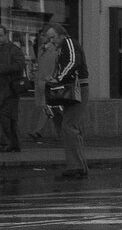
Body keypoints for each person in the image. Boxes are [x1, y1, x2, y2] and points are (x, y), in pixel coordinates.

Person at [44, 23, 89, 178]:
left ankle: (76, 166)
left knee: (68, 125)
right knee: (70, 126)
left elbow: (72, 63)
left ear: (62, 34)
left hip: (77, 88)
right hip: (75, 88)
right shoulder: (64, 46)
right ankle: (79, 166)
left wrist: (58, 78)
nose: (52, 41)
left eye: (53, 37)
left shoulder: (69, 43)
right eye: (49, 38)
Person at [27, 27, 60, 144]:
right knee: (51, 109)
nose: (41, 37)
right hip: (41, 82)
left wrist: (54, 79)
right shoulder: (41, 49)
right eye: (40, 35)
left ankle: (38, 131)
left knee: (47, 107)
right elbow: (38, 64)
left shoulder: (55, 50)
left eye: (43, 35)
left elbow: (57, 67)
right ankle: (60, 133)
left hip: (49, 83)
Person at [0, 24, 26, 152]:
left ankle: (7, 143)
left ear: (6, 35)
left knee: (6, 116)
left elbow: (19, 65)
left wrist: (2, 68)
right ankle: (13, 143)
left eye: (0, 35)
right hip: (3, 88)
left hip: (10, 89)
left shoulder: (14, 50)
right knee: (8, 118)